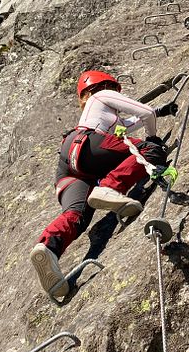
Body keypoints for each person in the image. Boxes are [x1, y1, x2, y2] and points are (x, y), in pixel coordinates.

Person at [30, 70, 178, 297]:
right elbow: (146, 113)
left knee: (78, 214)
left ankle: (49, 247)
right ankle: (109, 187)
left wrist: (162, 110)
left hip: (69, 162)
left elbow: (132, 122)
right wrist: (154, 139)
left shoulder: (97, 113)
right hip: (90, 145)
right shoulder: (103, 95)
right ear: (108, 87)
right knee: (149, 150)